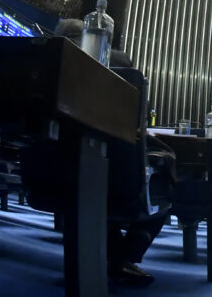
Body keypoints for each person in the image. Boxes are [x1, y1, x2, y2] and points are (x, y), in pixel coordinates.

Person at [55, 18, 164, 287]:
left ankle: (113, 256)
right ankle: (124, 258)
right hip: (116, 186)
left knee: (93, 189)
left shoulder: (47, 71)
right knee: (162, 188)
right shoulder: (121, 79)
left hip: (49, 180)